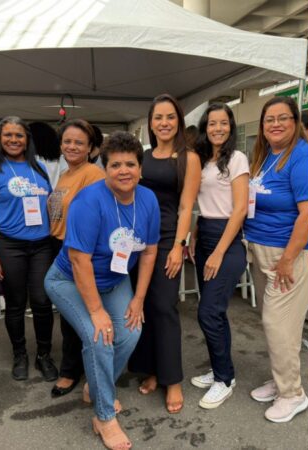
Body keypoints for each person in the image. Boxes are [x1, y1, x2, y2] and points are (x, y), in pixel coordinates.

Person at [44, 131, 158, 450]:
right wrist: (96, 313)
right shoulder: (88, 201)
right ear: (104, 168)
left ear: (140, 169)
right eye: (116, 165)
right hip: (68, 279)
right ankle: (104, 416)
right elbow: (79, 261)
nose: (124, 171)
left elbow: (148, 252)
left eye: (130, 164)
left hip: (115, 280)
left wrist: (138, 299)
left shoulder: (147, 199)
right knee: (101, 338)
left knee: (131, 331)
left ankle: (95, 386)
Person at [128, 94, 200, 414]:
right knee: (141, 305)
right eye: (158, 117)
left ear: (179, 122)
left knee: (163, 307)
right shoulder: (142, 156)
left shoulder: (189, 158)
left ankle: (173, 380)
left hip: (169, 237)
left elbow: (186, 206)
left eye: (170, 117)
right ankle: (152, 370)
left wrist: (179, 246)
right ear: (150, 122)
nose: (164, 123)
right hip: (137, 239)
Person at [245, 96, 308, 423]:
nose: (275, 124)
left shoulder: (301, 156)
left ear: (295, 121)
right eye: (269, 119)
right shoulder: (266, 155)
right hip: (260, 249)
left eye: (282, 118)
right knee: (274, 325)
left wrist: (287, 259)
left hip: (286, 254)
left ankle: (293, 394)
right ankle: (281, 379)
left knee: (278, 324)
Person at [0, 116, 57, 381]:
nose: (14, 140)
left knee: (42, 301)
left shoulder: (39, 167)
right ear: (0, 139)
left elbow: (50, 205)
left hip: (42, 245)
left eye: (19, 135)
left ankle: (44, 355)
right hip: (10, 245)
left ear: (27, 139)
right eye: (8, 135)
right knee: (14, 303)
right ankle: (20, 354)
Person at [187, 103, 248, 408]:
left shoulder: (236, 159)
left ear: (231, 126)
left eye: (223, 123)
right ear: (205, 127)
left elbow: (239, 209)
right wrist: (195, 234)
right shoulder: (202, 160)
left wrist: (219, 251)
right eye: (212, 124)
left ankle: (224, 380)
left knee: (208, 312)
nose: (218, 129)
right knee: (215, 312)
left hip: (228, 240)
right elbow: (203, 203)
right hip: (205, 234)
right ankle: (222, 371)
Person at [46, 119, 105, 397]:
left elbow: (98, 215)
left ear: (90, 148)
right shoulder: (66, 173)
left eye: (79, 142)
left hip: (79, 252)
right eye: (67, 141)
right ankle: (76, 367)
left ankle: (73, 371)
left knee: (78, 315)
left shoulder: (92, 174)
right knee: (69, 313)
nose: (72, 146)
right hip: (59, 246)